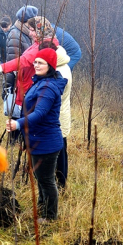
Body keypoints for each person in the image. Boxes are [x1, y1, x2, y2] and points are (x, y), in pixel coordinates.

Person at [6, 48, 66, 221]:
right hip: (37, 139)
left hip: (46, 141)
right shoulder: (40, 81)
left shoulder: (48, 88)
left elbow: (39, 113)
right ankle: (42, 208)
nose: (36, 65)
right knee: (40, 178)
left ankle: (49, 217)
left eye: (41, 63)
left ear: (51, 66)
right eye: (36, 62)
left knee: (46, 180)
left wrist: (18, 124)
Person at [54, 45, 72, 189]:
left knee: (60, 152)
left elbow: (53, 96)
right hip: (61, 115)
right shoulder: (62, 65)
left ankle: (61, 184)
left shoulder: (60, 72)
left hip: (58, 117)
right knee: (61, 150)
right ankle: (61, 182)